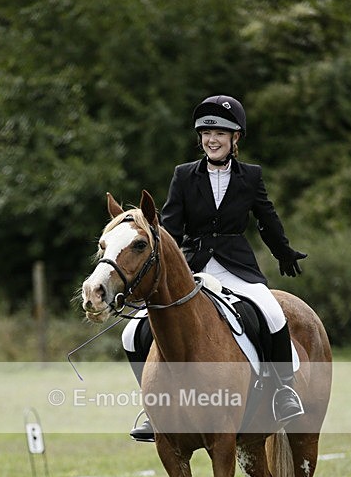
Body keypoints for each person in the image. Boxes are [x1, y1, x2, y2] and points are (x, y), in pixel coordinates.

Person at [124, 94, 307, 441]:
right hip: (191, 267)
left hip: (236, 266)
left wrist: (283, 251)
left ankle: (284, 391)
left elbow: (267, 219)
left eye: (221, 133)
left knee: (272, 313)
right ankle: (153, 406)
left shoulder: (251, 176)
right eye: (207, 133)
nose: (212, 139)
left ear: (235, 137)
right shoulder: (183, 175)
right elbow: (170, 228)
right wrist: (164, 267)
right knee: (131, 332)